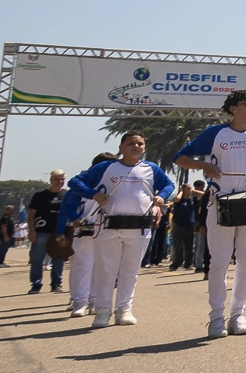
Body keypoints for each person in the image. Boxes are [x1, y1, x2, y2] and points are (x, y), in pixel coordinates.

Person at [175, 91, 246, 339]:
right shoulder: (215, 133)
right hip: (220, 202)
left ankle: (238, 314)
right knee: (220, 261)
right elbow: (179, 158)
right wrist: (204, 166)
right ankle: (216, 317)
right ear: (233, 108)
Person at [66, 133, 174, 328]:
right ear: (121, 147)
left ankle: (124, 310)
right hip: (108, 225)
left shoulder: (151, 169)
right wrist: (94, 194)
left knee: (130, 271)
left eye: (140, 143)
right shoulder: (106, 167)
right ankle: (103, 311)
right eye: (131, 143)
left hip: (139, 227)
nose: (136, 146)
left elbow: (168, 184)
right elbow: (74, 182)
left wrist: (162, 196)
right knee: (106, 271)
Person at [60, 155, 111, 316]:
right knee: (82, 267)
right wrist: (73, 219)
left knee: (100, 268)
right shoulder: (81, 186)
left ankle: (94, 301)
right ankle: (79, 302)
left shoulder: (113, 184)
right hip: (83, 232)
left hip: (105, 231)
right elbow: (66, 207)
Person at [26, 171, 67, 294]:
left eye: (62, 179)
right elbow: (31, 215)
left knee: (58, 259)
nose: (59, 182)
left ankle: (56, 284)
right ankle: (36, 284)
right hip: (41, 232)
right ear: (51, 179)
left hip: (59, 232)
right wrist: (31, 230)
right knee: (37, 259)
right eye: (57, 179)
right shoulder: (40, 195)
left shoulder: (66, 194)